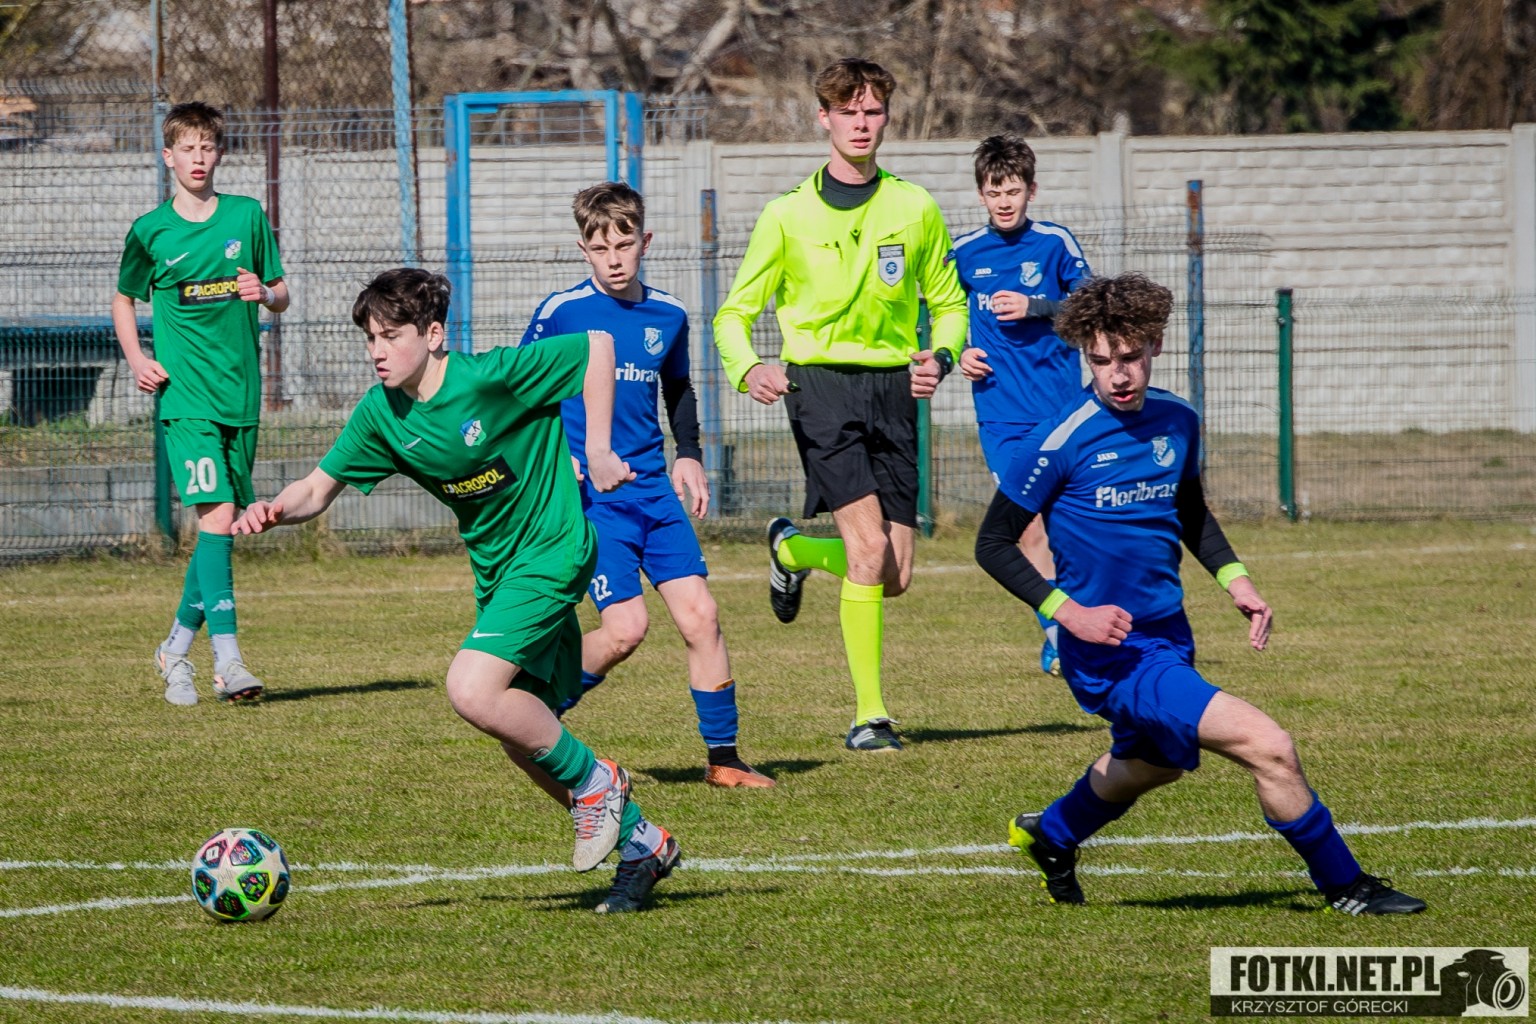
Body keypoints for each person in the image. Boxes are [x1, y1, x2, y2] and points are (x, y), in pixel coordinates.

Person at [974, 273, 1425, 915]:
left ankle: (1052, 834)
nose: (1117, 375)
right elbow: (992, 543)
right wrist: (1067, 613)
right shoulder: (1056, 441)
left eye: (1130, 357)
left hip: (1168, 633)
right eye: (1100, 361)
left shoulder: (1178, 420)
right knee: (1269, 746)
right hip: (1110, 652)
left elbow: (1188, 510)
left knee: (1154, 763)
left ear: (1155, 345)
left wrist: (1236, 580)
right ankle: (1347, 887)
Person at [233, 269, 680, 913]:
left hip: (553, 549)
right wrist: (276, 509)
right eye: (370, 339)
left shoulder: (491, 377)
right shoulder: (383, 414)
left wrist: (602, 447)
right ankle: (643, 844)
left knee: (471, 688)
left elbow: (597, 348)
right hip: (499, 576)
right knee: (525, 736)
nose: (377, 351)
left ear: (434, 334)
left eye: (392, 336)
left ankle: (599, 784)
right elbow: (316, 488)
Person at [712, 57, 968, 752]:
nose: (861, 123)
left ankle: (792, 548)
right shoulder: (786, 215)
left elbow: (950, 305)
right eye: (848, 111)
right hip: (819, 387)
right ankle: (869, 718)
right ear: (823, 117)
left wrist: (941, 357)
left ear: (887, 117)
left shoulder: (915, 208)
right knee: (867, 548)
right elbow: (732, 315)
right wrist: (748, 368)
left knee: (895, 574)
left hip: (893, 390)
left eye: (872, 110)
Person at [522, 181, 774, 789]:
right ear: (582, 249)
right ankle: (531, 716)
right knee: (625, 630)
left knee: (702, 616)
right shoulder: (562, 312)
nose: (614, 258)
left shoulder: (669, 314)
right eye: (599, 247)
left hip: (654, 492)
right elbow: (520, 389)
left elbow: (679, 389)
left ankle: (724, 760)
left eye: (624, 244)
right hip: (594, 499)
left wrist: (689, 455)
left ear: (645, 241)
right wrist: (560, 457)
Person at [112, 101, 289, 706]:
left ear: (219, 154)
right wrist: (137, 359)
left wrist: (265, 293)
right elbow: (123, 298)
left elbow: (282, 292)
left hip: (241, 396)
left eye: (207, 148)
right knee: (217, 518)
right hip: (185, 400)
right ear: (169, 157)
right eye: (187, 149)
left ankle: (174, 649)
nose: (198, 159)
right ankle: (229, 662)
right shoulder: (150, 230)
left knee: (220, 528)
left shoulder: (246, 215)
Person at [949, 133, 1091, 678]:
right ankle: (1060, 637)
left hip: (1062, 411)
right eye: (994, 192)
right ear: (980, 195)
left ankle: (1086, 623)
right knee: (1027, 527)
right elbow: (936, 313)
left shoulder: (1055, 243)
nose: (1004, 202)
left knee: (1070, 528)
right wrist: (959, 352)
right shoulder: (964, 252)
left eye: (1012, 191)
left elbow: (1088, 304)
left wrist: (1036, 305)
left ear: (1031, 190)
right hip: (1001, 417)